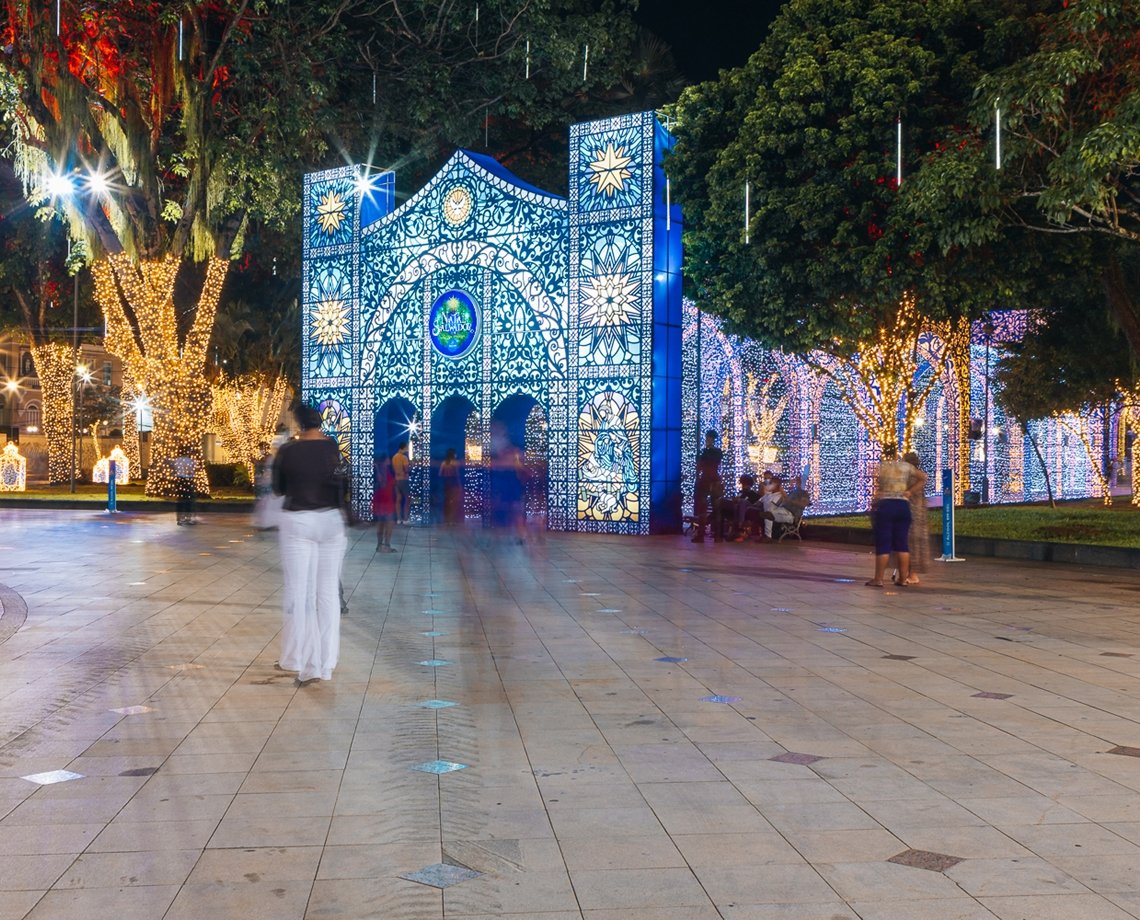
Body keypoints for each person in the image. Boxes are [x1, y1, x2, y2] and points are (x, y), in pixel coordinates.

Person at [272, 404, 348, 686]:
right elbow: (342, 484)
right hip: (331, 522)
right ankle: (325, 662)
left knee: (300, 594)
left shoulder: (288, 451)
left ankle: (306, 662)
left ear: (298, 423)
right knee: (327, 594)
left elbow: (279, 488)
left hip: (299, 521)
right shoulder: (332, 448)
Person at [866, 444, 921, 588]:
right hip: (903, 506)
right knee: (902, 544)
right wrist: (910, 492)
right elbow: (923, 477)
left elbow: (878, 487)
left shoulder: (881, 467)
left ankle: (878, 579)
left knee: (884, 544)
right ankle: (902, 579)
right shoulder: (906, 467)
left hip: (886, 505)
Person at [901, 451, 930, 584]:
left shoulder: (912, 477)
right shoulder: (914, 476)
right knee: (911, 544)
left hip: (913, 514)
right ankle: (908, 573)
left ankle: (911, 574)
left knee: (911, 544)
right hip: (916, 514)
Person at [691, 429, 723, 543]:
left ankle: (702, 535)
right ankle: (716, 536)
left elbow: (699, 465)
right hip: (713, 479)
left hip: (707, 480)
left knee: (706, 508)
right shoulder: (716, 452)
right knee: (713, 508)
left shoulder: (706, 452)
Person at [756, 474, 794, 540]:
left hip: (784, 515)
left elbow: (774, 506)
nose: (768, 485)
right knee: (766, 514)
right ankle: (765, 535)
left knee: (768, 514)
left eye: (771, 483)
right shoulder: (768, 495)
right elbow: (757, 503)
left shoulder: (779, 496)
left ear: (777, 485)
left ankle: (768, 536)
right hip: (773, 514)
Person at [372, 454, 397, 552]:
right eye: (387, 459)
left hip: (380, 500)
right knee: (389, 523)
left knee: (380, 523)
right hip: (385, 500)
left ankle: (379, 545)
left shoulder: (381, 470)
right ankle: (386, 545)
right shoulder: (383, 470)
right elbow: (384, 484)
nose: (389, 461)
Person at [171, 445, 198, 525]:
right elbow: (191, 471)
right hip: (188, 480)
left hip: (179, 480)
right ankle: (188, 518)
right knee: (188, 500)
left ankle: (179, 518)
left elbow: (175, 470)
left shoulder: (177, 460)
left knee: (180, 500)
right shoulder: (190, 461)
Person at [440, 448, 462, 526]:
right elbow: (457, 475)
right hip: (454, 484)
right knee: (454, 503)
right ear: (453, 455)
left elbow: (441, 474)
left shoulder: (443, 463)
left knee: (446, 503)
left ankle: (446, 520)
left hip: (446, 484)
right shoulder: (455, 463)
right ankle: (453, 520)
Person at [392, 440, 411, 524]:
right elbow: (406, 469)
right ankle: (406, 519)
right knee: (407, 500)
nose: (408, 449)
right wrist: (411, 465)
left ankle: (398, 519)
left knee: (398, 500)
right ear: (404, 448)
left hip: (396, 480)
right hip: (404, 480)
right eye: (407, 447)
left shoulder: (394, 457)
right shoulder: (404, 457)